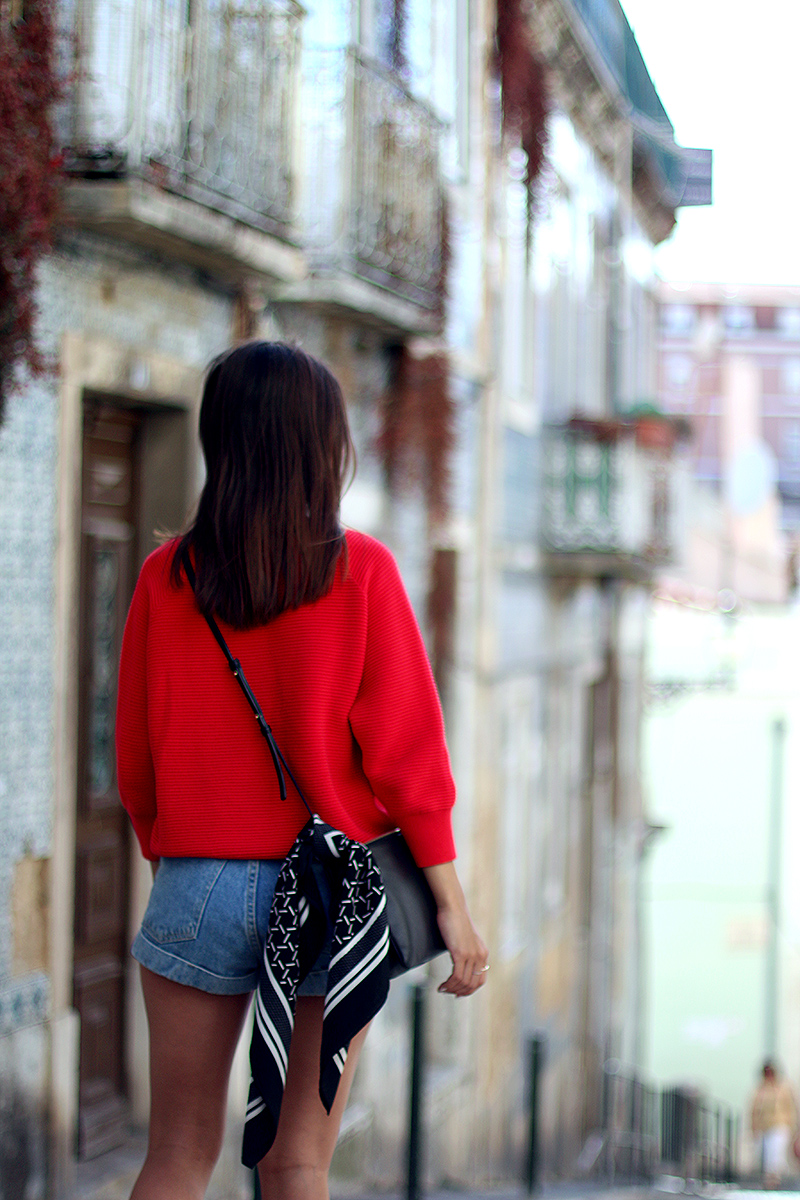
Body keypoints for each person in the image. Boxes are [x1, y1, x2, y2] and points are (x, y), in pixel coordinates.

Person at [115, 341, 488, 1200]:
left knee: (176, 1155)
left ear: (223, 439)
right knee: (297, 1164)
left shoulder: (164, 577)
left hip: (198, 877)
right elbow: (407, 759)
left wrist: (180, 859)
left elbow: (133, 755)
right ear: (325, 445)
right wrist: (451, 906)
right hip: (330, 894)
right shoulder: (361, 572)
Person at [750, 1058, 798, 1188]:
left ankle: (775, 1180)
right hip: (764, 1127)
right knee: (766, 1156)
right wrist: (753, 1127)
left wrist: (793, 1127)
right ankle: (769, 1180)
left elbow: (790, 1108)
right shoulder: (760, 1089)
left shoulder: (783, 1088)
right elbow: (754, 1110)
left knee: (776, 1154)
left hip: (780, 1125)